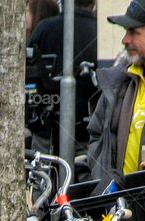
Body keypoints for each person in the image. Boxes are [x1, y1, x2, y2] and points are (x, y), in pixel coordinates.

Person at [86, 0, 145, 191]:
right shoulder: (120, 82)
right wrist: (105, 182)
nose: (125, 40)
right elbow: (96, 136)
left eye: (134, 32)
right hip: (121, 209)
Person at [28, 0, 98, 150]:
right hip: (89, 130)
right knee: (87, 169)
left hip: (46, 129)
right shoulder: (100, 31)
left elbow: (28, 73)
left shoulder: (44, 28)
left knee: (42, 169)